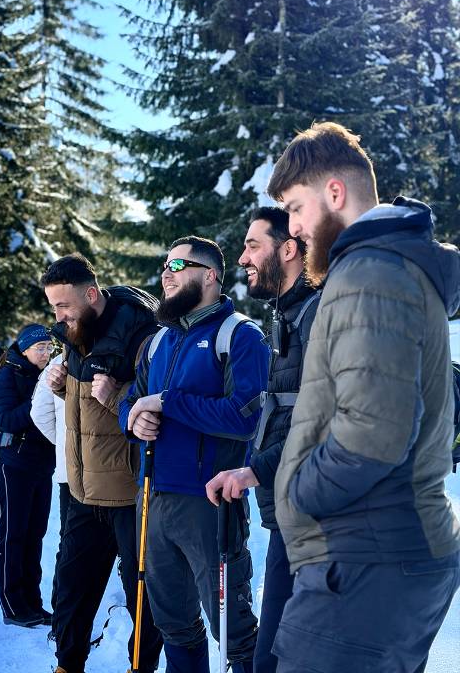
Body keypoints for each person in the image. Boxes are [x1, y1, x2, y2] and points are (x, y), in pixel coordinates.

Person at [263, 121, 458, 672]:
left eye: (296, 208)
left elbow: (373, 433)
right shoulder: (380, 266)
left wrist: (297, 493)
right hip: (373, 554)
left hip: (366, 557)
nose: (293, 229)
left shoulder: (371, 272)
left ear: (334, 192)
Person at [119, 236, 269, 673]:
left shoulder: (239, 335)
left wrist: (168, 403)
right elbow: (131, 402)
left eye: (177, 265)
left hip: (210, 502)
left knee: (233, 629)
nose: (166, 275)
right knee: (174, 625)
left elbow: (245, 418)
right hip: (154, 499)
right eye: (164, 266)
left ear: (210, 276)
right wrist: (134, 421)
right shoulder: (157, 341)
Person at [206, 208, 318, 672]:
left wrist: (254, 469)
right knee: (270, 656)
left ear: (288, 249)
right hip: (290, 512)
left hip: (317, 519)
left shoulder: (318, 314)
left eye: (253, 245)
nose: (243, 257)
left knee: (276, 656)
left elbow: (324, 420)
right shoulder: (288, 314)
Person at [41, 253, 163, 673]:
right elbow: (88, 409)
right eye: (53, 306)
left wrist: (116, 394)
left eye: (63, 305)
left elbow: (157, 406)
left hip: (129, 496)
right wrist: (62, 388)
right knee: (71, 590)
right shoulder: (76, 330)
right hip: (81, 492)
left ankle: (140, 667)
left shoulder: (141, 333)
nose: (58, 316)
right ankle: (67, 665)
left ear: (91, 294)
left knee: (141, 595)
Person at [0, 323, 55, 628]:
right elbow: (5, 419)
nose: (45, 353)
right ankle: (12, 606)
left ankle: (33, 602)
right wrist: (39, 398)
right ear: (25, 349)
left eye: (49, 347)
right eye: (40, 348)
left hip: (42, 464)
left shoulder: (45, 374)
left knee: (35, 535)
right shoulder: (7, 374)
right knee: (13, 534)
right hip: (12, 463)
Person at [30, 349, 68, 615]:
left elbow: (39, 412)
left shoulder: (59, 361)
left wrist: (64, 446)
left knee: (70, 544)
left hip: (71, 471)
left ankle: (63, 619)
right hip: (120, 472)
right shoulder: (127, 351)